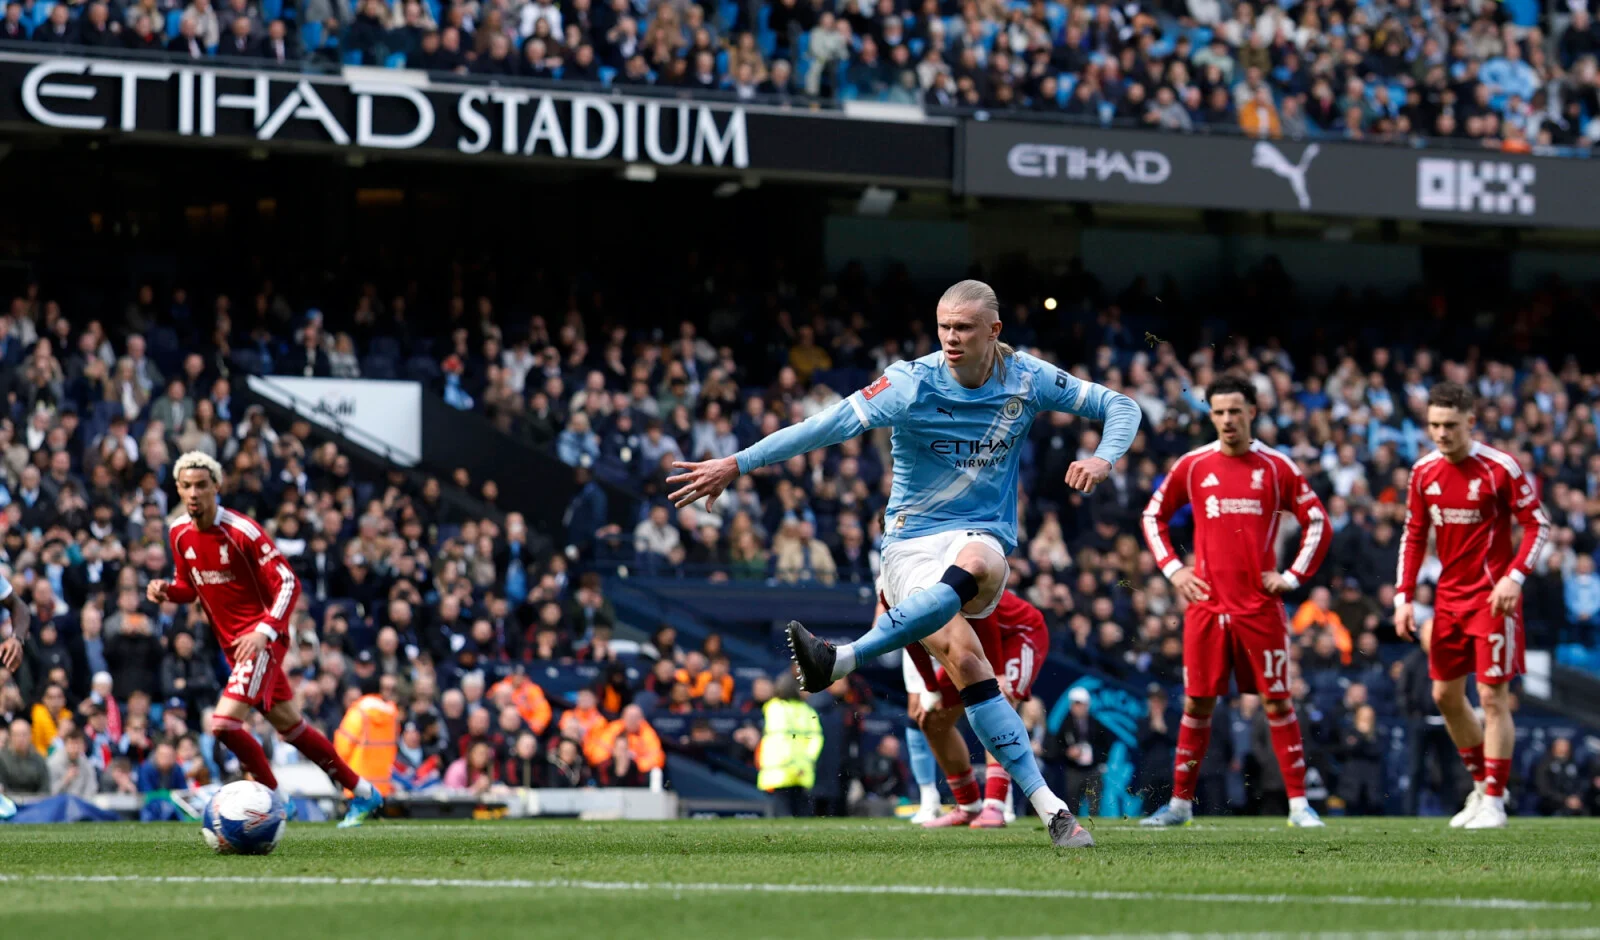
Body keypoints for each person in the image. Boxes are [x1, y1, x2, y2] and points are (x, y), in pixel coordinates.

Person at [668, 279, 1140, 849]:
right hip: (909, 543)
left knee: (979, 563)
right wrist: (737, 464)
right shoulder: (910, 382)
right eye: (943, 326)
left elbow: (1120, 404)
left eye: (963, 328)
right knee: (967, 661)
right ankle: (1053, 811)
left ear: (994, 331)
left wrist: (1104, 457)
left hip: (982, 535)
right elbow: (826, 425)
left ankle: (844, 658)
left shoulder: (1028, 379)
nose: (950, 338)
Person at [147, 451, 384, 827]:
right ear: (178, 488)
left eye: (201, 486)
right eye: (186, 486)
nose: (194, 493)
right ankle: (364, 793)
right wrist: (166, 591)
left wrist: (264, 630)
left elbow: (289, 582)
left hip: (262, 640)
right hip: (234, 647)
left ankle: (275, 798)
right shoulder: (178, 532)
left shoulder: (242, 531)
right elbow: (188, 587)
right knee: (293, 729)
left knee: (223, 725)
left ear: (216, 488)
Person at [1140, 372, 1332, 828]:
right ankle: (1181, 807)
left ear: (1253, 413)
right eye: (1219, 412)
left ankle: (1300, 806)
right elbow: (1153, 515)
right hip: (1206, 608)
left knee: (1278, 702)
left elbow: (1318, 521)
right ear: (1211, 415)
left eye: (1235, 411)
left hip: (1259, 607)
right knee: (1197, 703)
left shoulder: (1276, 466)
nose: (1227, 420)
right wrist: (1174, 570)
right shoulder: (1193, 464)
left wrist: (1291, 577)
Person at [1395, 382, 1549, 830]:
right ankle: (1482, 786)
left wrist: (1513, 578)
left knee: (1491, 697)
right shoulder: (1423, 471)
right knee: (1444, 696)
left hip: (1492, 599)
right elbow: (1413, 535)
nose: (1441, 434)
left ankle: (1496, 802)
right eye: (1434, 425)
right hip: (1448, 599)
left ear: (1470, 423)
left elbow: (1537, 525)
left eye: (1449, 425)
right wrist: (1404, 597)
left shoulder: (1499, 468)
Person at [903, 589, 1051, 828]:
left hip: (1018, 633)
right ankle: (969, 806)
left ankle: (995, 805)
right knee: (932, 719)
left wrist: (1000, 673)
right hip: (973, 642)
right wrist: (931, 688)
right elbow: (910, 639)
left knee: (997, 709)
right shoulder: (895, 591)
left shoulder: (938, 578)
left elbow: (982, 614)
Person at [757, 673, 822, 816]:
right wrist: (806, 762)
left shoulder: (774, 708)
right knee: (802, 808)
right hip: (802, 769)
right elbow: (816, 740)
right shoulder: (808, 710)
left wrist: (791, 764)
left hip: (781, 769)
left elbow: (780, 739)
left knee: (782, 811)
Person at [334, 673, 402, 797]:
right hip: (383, 785)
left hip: (358, 783)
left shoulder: (358, 713)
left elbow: (343, 748)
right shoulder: (392, 715)